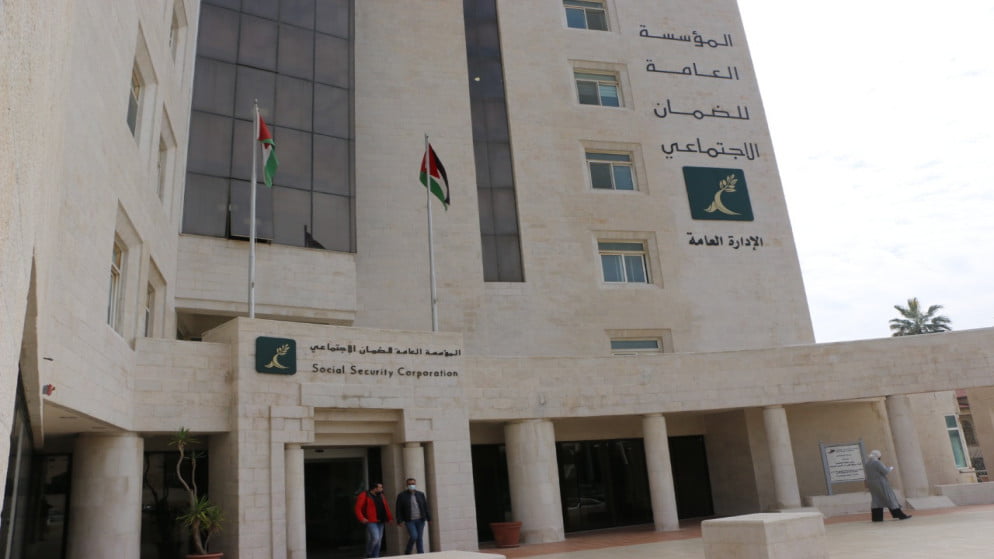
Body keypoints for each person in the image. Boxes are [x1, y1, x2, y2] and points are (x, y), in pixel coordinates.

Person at [864, 450, 911, 521]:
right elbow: (885, 471)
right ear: (878, 456)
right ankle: (900, 515)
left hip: (872, 484)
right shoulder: (877, 462)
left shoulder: (867, 463)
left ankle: (877, 518)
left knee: (876, 499)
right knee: (889, 497)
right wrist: (890, 468)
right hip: (881, 483)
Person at [354, 482, 393, 558]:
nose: (382, 489)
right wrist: (361, 518)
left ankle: (375, 556)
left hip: (381, 520)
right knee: (375, 538)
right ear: (375, 489)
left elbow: (386, 507)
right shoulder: (364, 495)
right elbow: (357, 508)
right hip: (371, 521)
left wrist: (390, 518)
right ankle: (368, 553)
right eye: (380, 487)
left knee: (379, 540)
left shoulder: (381, 496)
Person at [395, 477, 431, 554]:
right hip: (409, 520)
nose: (411, 485)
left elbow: (425, 507)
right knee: (414, 536)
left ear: (415, 484)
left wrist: (429, 518)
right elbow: (398, 509)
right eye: (410, 484)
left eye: (413, 484)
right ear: (407, 485)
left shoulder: (420, 494)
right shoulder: (402, 495)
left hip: (420, 520)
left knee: (419, 538)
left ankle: (421, 554)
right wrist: (399, 520)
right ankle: (408, 551)